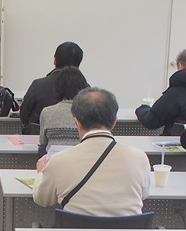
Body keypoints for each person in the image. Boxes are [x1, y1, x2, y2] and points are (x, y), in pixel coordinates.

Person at [32, 87, 150, 216]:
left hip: (76, 229)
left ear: (76, 122)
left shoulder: (58, 160)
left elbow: (42, 199)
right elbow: (144, 195)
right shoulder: (139, 157)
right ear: (114, 122)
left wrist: (41, 173)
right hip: (129, 229)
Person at [135, 48, 186, 136]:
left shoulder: (176, 91)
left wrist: (142, 109)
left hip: (177, 140)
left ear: (180, 65)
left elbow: (152, 121)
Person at [18, 41, 84, 134]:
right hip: (77, 140)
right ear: (79, 63)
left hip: (38, 138)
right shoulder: (86, 90)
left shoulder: (38, 85)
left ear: (55, 60)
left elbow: (24, 115)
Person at [36, 66, 89, 154]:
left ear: (57, 88)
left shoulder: (47, 112)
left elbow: (43, 142)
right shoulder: (89, 112)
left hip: (53, 159)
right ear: (83, 87)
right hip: (81, 158)